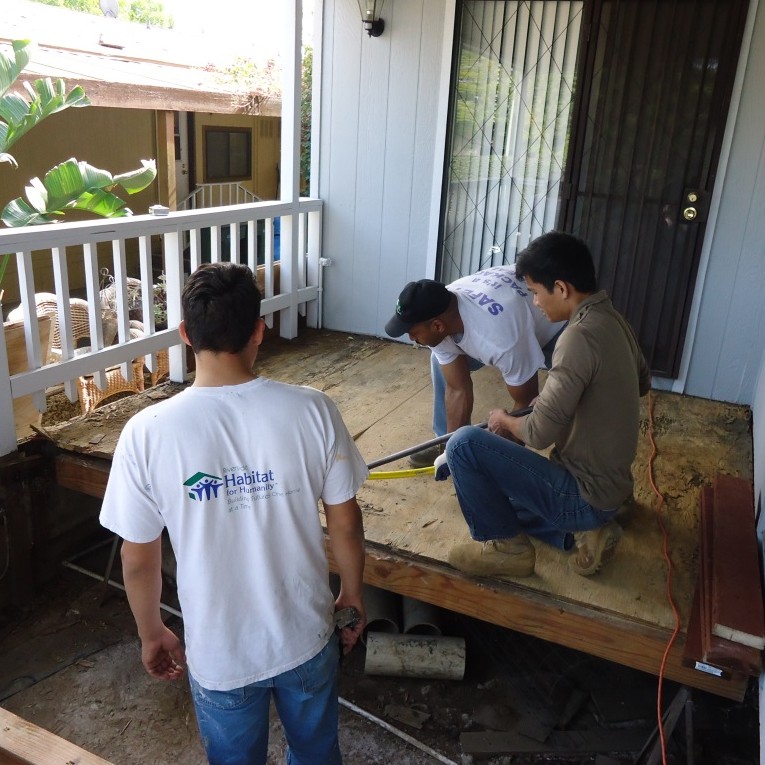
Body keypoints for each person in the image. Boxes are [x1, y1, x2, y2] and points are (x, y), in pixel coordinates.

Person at [100, 262, 368, 765]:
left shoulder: (147, 432)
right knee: (316, 753)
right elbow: (346, 523)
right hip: (306, 637)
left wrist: (152, 631)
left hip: (221, 653)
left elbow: (138, 560)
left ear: (185, 334)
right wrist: (350, 596)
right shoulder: (313, 409)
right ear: (259, 331)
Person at [445, 232, 651, 578]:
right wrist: (570, 398)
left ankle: (508, 549)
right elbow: (641, 383)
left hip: (583, 493)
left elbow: (538, 434)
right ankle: (588, 530)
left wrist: (504, 420)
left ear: (561, 288)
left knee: (463, 446)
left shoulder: (576, 339)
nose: (536, 303)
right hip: (612, 487)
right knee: (490, 496)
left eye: (537, 293)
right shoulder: (613, 319)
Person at [384, 265, 565, 466]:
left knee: (571, 389)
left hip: (555, 322)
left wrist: (490, 458)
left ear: (437, 325)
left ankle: (568, 467)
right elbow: (456, 389)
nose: (411, 338)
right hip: (511, 309)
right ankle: (444, 443)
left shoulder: (500, 338)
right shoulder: (439, 309)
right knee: (439, 361)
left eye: (412, 332)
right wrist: (452, 451)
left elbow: (525, 404)